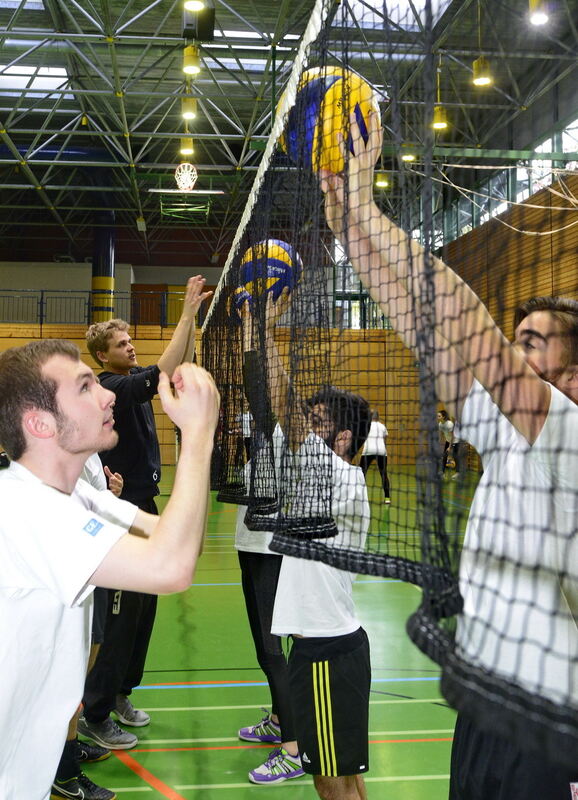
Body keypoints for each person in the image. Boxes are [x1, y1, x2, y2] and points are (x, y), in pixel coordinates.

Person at [320, 111, 578, 799]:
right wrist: (347, 226)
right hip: (486, 698)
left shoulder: (570, 432)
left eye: (532, 343)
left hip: (550, 717)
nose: (512, 352)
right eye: (516, 339)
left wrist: (369, 209)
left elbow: (468, 323)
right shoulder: (509, 434)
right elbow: (427, 329)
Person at [0, 338, 219, 800]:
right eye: (84, 388)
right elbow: (170, 567)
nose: (107, 396)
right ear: (40, 423)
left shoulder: (79, 493)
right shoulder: (24, 508)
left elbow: (179, 541)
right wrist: (198, 436)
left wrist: (199, 435)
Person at [241, 295, 372, 800]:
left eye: (318, 423)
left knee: (331, 781)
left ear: (341, 438)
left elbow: (285, 404)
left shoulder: (341, 476)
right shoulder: (323, 478)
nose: (305, 429)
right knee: (344, 775)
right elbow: (279, 408)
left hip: (327, 652)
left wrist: (263, 330)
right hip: (322, 646)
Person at [81, 276, 211, 749]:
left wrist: (191, 325)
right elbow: (161, 372)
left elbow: (175, 369)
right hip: (121, 512)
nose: (131, 346)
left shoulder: (132, 382)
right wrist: (185, 314)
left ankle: (120, 694)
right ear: (103, 357)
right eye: (122, 344)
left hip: (143, 502)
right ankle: (94, 713)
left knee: (142, 613)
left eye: (131, 340)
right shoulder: (111, 385)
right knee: (119, 619)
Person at [52, 456, 124, 800]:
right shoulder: (53, 451)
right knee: (66, 675)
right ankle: (63, 772)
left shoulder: (89, 452)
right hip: (68, 573)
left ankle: (67, 747)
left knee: (84, 665)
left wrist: (110, 498)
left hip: (90, 567)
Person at [359, 409, 390, 502]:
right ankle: (387, 498)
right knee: (384, 474)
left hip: (368, 451)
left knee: (361, 474)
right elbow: (385, 438)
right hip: (381, 451)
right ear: (378, 417)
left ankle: (360, 497)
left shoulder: (366, 426)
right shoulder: (382, 426)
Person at [437, 408, 465, 480]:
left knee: (455, 456)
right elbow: (441, 434)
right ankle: (442, 473)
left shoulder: (449, 424)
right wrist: (440, 443)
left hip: (455, 441)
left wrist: (449, 447)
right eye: (437, 416)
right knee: (444, 456)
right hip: (448, 440)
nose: (438, 417)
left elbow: (452, 436)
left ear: (443, 417)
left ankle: (458, 473)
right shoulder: (440, 424)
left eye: (439, 416)